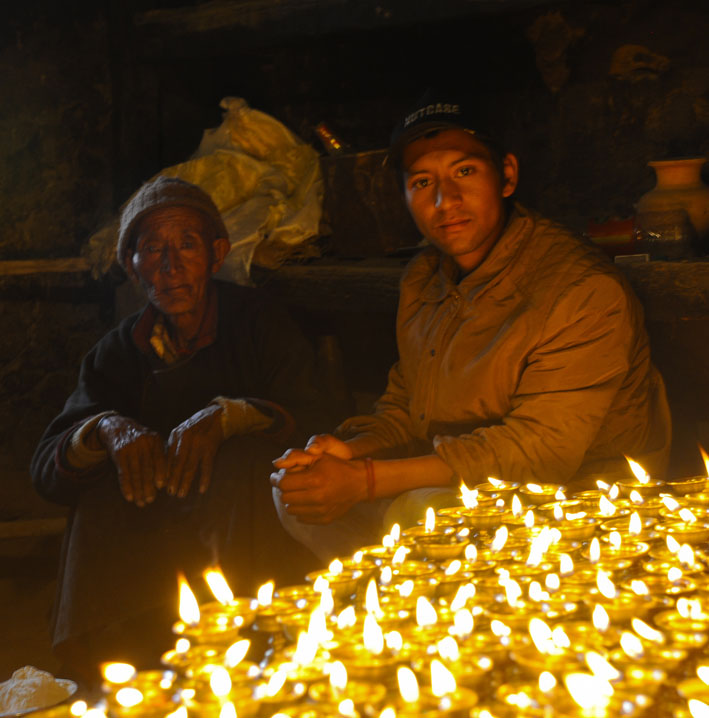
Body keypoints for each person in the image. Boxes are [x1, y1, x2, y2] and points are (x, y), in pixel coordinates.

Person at [271, 90, 672, 562]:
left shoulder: (580, 290)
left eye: (465, 172)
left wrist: (366, 481)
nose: (446, 200)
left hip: (585, 492)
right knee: (299, 495)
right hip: (466, 479)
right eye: (423, 182)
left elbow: (538, 451)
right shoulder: (424, 278)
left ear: (506, 176)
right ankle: (393, 614)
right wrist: (348, 452)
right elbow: (409, 405)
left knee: (422, 513)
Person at [31, 176, 324, 680]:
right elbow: (47, 471)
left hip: (239, 530)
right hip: (153, 534)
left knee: (242, 465)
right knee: (101, 488)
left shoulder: (260, 323)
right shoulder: (119, 351)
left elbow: (322, 416)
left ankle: (250, 659)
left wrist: (233, 416)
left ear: (217, 253)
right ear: (131, 265)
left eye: (186, 245)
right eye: (151, 250)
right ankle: (110, 672)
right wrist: (106, 429)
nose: (170, 267)